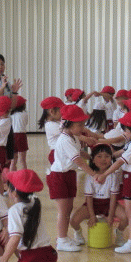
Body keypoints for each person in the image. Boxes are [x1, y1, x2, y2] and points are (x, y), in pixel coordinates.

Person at [0, 169, 57, 262]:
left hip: (32, 259)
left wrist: (4, 259)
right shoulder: (34, 202)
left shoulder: (15, 210)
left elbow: (15, 238)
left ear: (13, 193)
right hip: (49, 254)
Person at [97, 111, 131, 253]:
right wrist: (107, 156)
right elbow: (120, 153)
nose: (123, 133)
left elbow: (120, 162)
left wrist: (104, 174)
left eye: (125, 130)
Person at [47, 105, 98, 252]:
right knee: (63, 211)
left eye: (83, 124)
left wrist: (91, 157)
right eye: (79, 125)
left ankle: (64, 237)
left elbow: (79, 153)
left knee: (68, 209)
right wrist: (94, 174)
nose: (82, 128)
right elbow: (79, 161)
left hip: (69, 175)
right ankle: (61, 240)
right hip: (59, 177)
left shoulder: (73, 137)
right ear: (69, 124)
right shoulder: (65, 140)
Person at [70, 143, 128, 246]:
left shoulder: (113, 176)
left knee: (126, 218)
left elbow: (113, 198)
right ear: (93, 159)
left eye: (107, 156)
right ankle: (78, 234)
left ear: (111, 159)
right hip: (92, 204)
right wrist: (92, 216)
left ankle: (119, 235)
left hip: (109, 203)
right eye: (99, 156)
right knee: (73, 221)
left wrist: (110, 216)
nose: (103, 159)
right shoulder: (90, 176)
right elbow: (89, 199)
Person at [38, 97, 64, 165]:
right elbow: (68, 133)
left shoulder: (56, 123)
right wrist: (85, 138)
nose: (63, 113)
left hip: (61, 153)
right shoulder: (51, 125)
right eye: (61, 111)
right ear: (52, 111)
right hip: (57, 154)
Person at [10, 96, 29, 171]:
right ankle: (24, 176)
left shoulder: (10, 115)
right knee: (22, 160)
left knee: (13, 161)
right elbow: (25, 123)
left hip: (11, 136)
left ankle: (11, 176)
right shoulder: (24, 114)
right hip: (21, 135)